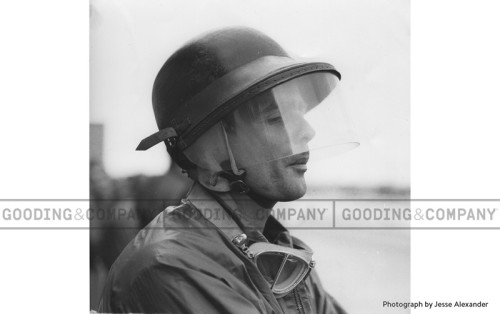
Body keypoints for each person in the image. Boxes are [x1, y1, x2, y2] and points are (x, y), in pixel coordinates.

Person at [98, 27, 348, 314]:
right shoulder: (172, 267)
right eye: (276, 117)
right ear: (209, 157)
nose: (307, 131)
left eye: (299, 114)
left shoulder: (282, 257)